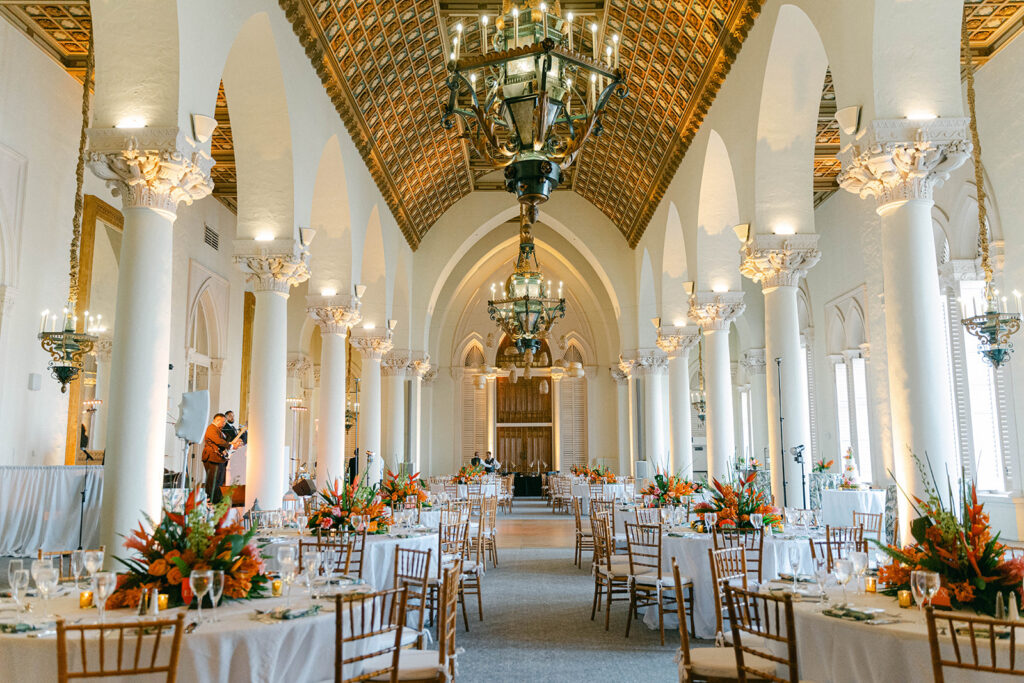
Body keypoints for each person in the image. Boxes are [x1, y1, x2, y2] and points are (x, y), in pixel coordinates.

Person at [203, 413, 241, 504]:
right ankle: (212, 500)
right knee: (213, 481)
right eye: (223, 421)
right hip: (212, 458)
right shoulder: (211, 428)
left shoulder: (218, 430)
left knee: (218, 481)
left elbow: (222, 442)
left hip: (218, 458)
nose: (224, 424)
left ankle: (216, 500)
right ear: (217, 420)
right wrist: (232, 446)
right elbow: (218, 441)